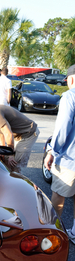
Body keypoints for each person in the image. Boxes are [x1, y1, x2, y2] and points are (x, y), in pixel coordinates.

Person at [44, 64, 75, 243]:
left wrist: (52, 151)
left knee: (59, 194)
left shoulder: (70, 96)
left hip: (70, 157)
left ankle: (51, 235)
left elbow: (63, 128)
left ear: (71, 79)